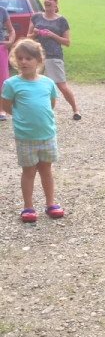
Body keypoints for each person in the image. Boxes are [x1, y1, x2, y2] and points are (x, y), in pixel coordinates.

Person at [1, 39, 65, 222]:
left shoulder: (47, 83)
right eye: (20, 58)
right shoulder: (11, 84)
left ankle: (50, 203)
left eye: (28, 58)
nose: (24, 62)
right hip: (25, 137)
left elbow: (51, 104)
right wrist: (22, 118)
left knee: (46, 170)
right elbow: (6, 106)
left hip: (47, 135)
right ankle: (28, 207)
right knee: (28, 171)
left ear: (39, 60)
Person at [28, 0, 80, 120]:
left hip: (54, 55)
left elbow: (67, 42)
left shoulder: (61, 20)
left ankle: (75, 110)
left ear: (55, 3)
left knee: (61, 86)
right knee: (34, 84)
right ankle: (38, 112)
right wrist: (34, 34)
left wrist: (52, 35)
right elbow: (28, 37)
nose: (47, 1)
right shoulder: (36, 17)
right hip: (37, 56)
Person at [0, 3, 16, 121]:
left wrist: (10, 41)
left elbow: (11, 30)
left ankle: (1, 110)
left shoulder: (2, 10)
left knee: (2, 79)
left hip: (0, 47)